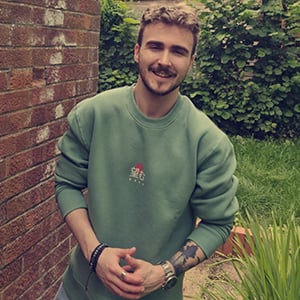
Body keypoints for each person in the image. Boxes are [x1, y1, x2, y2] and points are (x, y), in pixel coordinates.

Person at [54, 3, 239, 300]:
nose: (164, 60)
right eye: (155, 46)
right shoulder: (92, 115)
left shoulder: (209, 143)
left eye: (178, 51)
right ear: (137, 51)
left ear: (191, 61)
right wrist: (95, 253)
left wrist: (163, 272)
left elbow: (218, 223)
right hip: (80, 290)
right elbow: (67, 184)